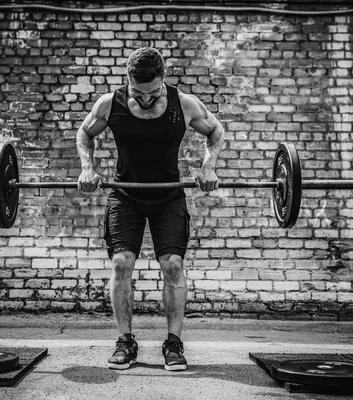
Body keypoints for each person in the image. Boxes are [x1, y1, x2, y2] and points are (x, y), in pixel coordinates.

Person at [76, 47, 225, 371]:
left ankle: (173, 344)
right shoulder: (109, 103)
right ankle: (125, 342)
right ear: (128, 80)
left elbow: (215, 131)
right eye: (138, 93)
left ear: (163, 81)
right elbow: (84, 134)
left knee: (172, 265)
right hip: (125, 195)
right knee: (121, 263)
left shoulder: (183, 103)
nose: (145, 100)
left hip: (168, 196)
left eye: (153, 93)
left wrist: (208, 166)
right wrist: (87, 168)